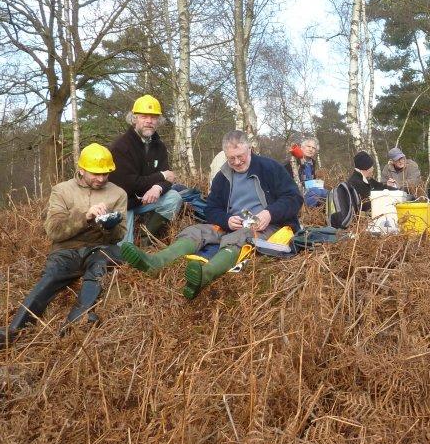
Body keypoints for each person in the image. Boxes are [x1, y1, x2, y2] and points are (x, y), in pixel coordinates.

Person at [120, 131, 302, 299]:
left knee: (243, 236)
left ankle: (204, 274)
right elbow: (211, 209)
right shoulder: (222, 176)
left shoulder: (271, 168)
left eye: (241, 156)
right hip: (232, 224)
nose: (237, 162)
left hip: (266, 224)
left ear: (250, 149)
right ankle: (156, 262)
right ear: (225, 155)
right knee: (195, 231)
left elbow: (294, 198)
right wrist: (227, 220)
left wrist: (269, 213)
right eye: (232, 159)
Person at [0, 144, 128, 349]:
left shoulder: (118, 194)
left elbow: (119, 236)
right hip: (66, 250)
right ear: (81, 169)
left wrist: (109, 227)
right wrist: (86, 216)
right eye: (95, 174)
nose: (101, 179)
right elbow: (54, 231)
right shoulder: (62, 190)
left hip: (99, 248)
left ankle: (76, 320)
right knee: (51, 277)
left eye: (105, 174)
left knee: (101, 266)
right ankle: (14, 329)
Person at [108, 94, 183, 243]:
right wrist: (160, 177)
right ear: (134, 118)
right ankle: (128, 241)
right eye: (144, 116)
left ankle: (145, 238)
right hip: (124, 203)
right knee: (124, 253)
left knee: (175, 197)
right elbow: (128, 184)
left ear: (158, 121)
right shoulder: (121, 146)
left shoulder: (159, 146)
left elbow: (168, 180)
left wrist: (158, 188)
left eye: (154, 117)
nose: (149, 121)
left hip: (146, 199)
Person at [285, 136, 327, 207]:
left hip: (310, 190)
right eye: (308, 146)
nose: (311, 149)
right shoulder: (293, 161)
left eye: (313, 148)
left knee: (328, 193)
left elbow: (311, 179)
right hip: (298, 194)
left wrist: (317, 183)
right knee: (317, 192)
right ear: (302, 147)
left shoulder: (312, 163)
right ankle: (308, 211)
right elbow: (289, 183)